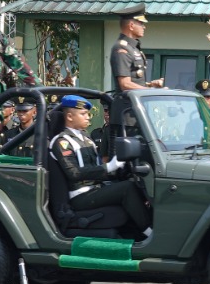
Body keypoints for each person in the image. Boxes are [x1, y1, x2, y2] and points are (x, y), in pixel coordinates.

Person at [49, 96, 151, 238]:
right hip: (80, 196)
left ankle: (134, 233)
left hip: (95, 189)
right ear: (70, 116)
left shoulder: (86, 139)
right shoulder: (62, 142)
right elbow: (74, 173)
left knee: (133, 184)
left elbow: (96, 167)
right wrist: (108, 167)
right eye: (83, 114)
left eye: (87, 114)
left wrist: (117, 169)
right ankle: (148, 232)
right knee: (127, 188)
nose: (88, 117)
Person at [110, 7, 164, 92]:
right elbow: (125, 84)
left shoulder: (133, 48)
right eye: (141, 23)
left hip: (135, 100)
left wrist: (150, 85)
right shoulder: (122, 48)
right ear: (131, 26)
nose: (144, 27)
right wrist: (151, 91)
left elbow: (135, 82)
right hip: (127, 103)